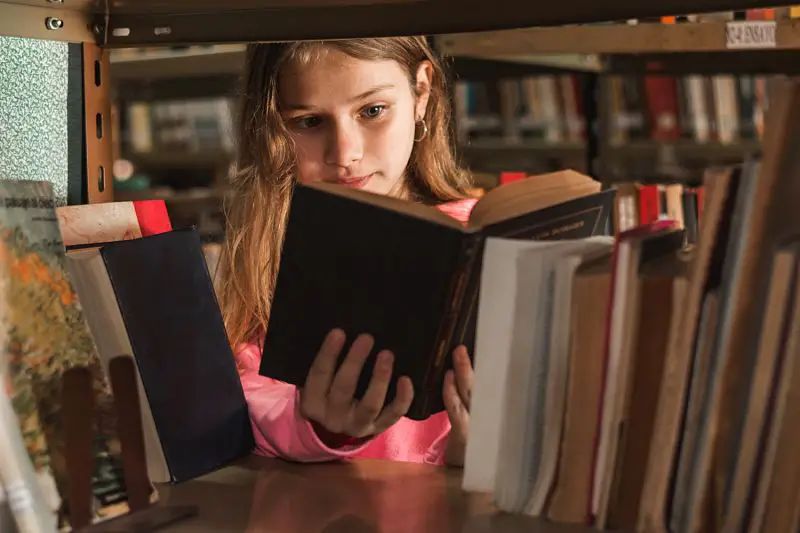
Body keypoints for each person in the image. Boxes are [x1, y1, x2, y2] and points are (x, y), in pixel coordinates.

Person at [215, 37, 480, 467]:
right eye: (309, 121)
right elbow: (242, 412)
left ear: (422, 93)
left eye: (372, 111)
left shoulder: (480, 234)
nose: (345, 154)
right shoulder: (263, 259)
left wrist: (478, 457)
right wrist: (320, 427)